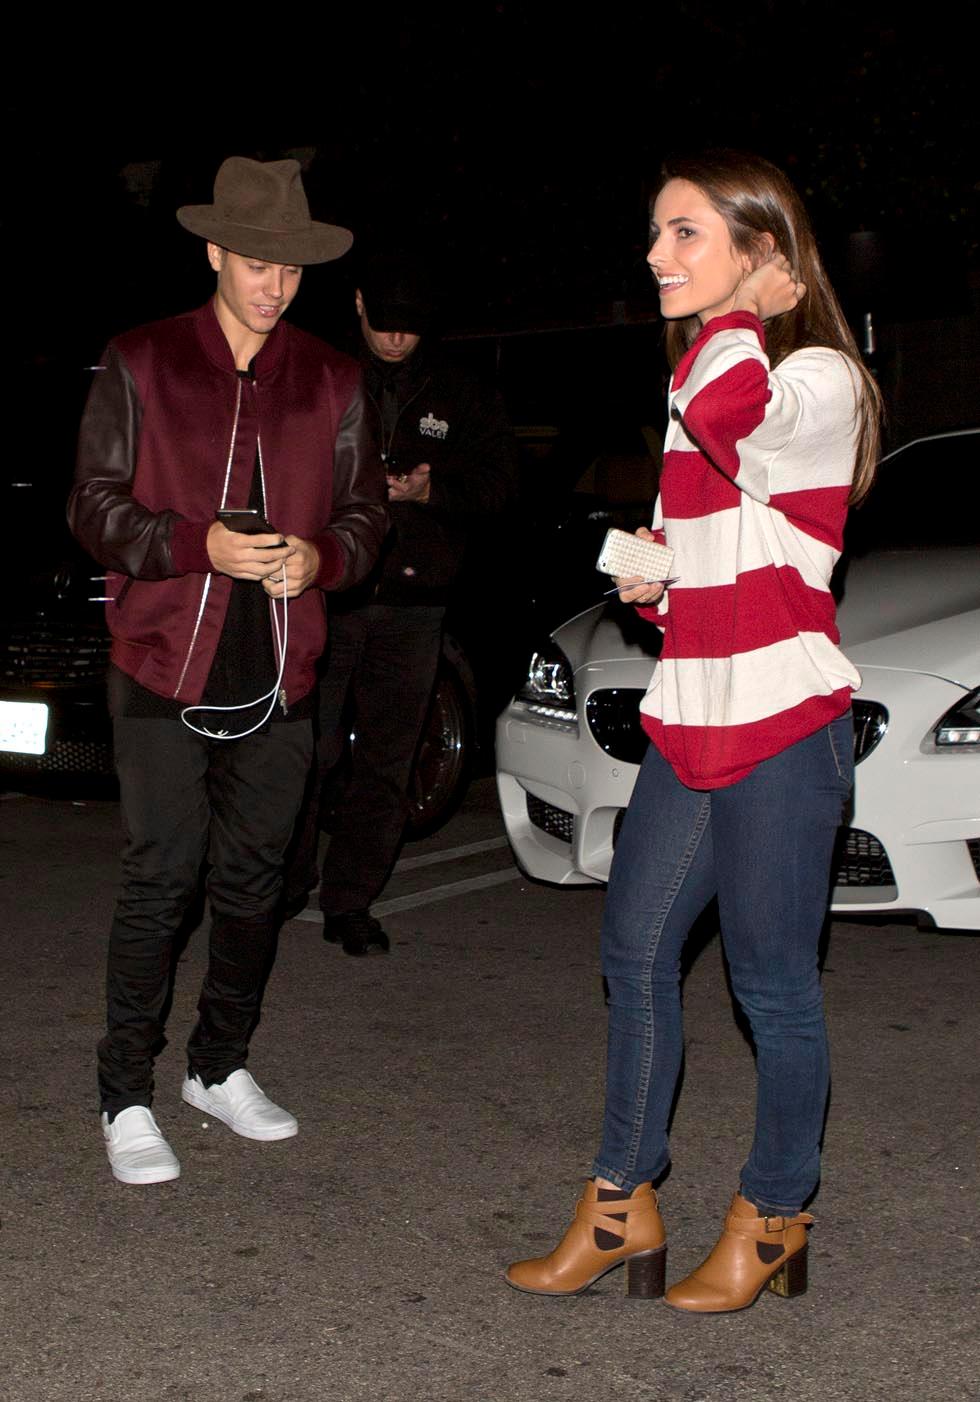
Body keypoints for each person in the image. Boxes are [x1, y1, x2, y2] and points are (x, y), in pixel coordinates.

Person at [506, 150, 882, 1310]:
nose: (656, 255)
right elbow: (704, 542)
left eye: (683, 236)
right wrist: (654, 581)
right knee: (634, 958)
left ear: (758, 255)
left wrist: (733, 322)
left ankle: (772, 1213)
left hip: (779, 722)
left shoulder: (815, 377)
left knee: (771, 986)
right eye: (655, 234)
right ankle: (620, 1202)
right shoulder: (703, 380)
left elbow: (734, 417)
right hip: (686, 719)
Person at [68, 157, 387, 1185]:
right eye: (256, 262)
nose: (274, 284)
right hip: (165, 658)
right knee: (162, 873)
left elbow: (364, 517)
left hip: (279, 670)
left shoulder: (332, 378)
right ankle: (125, 1091)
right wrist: (191, 544)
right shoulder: (144, 359)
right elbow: (93, 507)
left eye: (291, 269)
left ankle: (218, 1065)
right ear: (214, 250)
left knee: (254, 880)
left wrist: (323, 558)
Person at [283, 254, 517, 956]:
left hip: (417, 602)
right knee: (304, 752)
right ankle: (282, 885)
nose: (394, 340)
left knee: (387, 760)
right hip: (330, 593)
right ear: (358, 305)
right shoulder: (323, 376)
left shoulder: (461, 392)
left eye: (409, 329)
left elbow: (502, 485)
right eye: (384, 324)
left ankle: (349, 901)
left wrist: (430, 492)